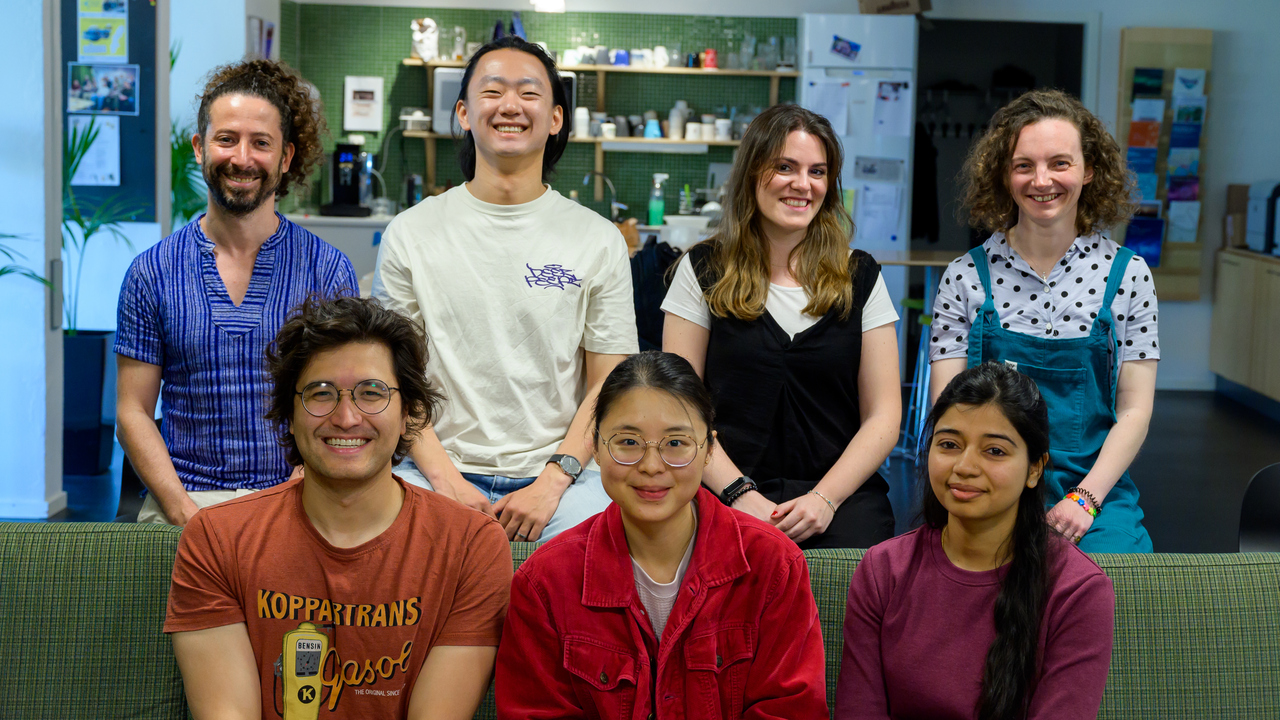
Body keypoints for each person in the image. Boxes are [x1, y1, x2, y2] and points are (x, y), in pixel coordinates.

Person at [165, 296, 512, 720]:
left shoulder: (472, 545)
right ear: (289, 416)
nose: (346, 417)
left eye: (372, 393)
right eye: (321, 393)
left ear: (408, 415)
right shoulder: (217, 538)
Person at [373, 36, 636, 542]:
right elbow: (392, 375)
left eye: (529, 93)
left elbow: (610, 381)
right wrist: (446, 479)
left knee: (602, 558)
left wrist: (554, 479)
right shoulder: (411, 232)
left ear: (557, 118)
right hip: (429, 468)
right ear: (465, 114)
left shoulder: (597, 239)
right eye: (492, 91)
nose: (510, 105)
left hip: (563, 476)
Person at [495, 351, 829, 719]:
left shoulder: (773, 564)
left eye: (675, 444)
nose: (651, 466)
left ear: (709, 451)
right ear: (596, 448)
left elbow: (790, 708)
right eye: (627, 442)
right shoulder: (544, 581)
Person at [116, 59, 357, 526]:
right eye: (226, 139)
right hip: (183, 501)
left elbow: (341, 402)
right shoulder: (151, 273)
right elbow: (133, 411)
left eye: (260, 143)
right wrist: (182, 510)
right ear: (199, 149)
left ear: (285, 158)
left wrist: (303, 488)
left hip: (300, 500)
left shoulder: (328, 270)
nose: (242, 158)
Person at [662, 103, 900, 549]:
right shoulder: (702, 270)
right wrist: (739, 493)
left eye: (817, 172)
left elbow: (884, 415)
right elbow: (678, 409)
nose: (802, 184)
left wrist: (824, 499)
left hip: (840, 494)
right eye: (784, 167)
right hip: (722, 487)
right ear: (753, 173)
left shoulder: (861, 275)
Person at [929, 89, 1157, 552]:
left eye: (1060, 163)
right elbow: (947, 414)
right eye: (1023, 165)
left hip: (1093, 490)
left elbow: (1135, 410)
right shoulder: (964, 277)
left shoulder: (1130, 276)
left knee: (1114, 583)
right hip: (988, 486)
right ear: (1004, 175)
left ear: (1089, 170)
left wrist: (1086, 500)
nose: (1042, 180)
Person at [837, 362, 1115, 720]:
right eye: (949, 444)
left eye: (995, 451)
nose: (964, 466)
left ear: (1035, 468)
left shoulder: (1078, 590)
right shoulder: (883, 571)